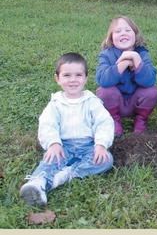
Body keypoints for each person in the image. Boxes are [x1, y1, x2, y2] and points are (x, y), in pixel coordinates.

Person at [19, 53, 114, 207]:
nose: (73, 80)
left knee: (106, 160)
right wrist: (53, 143)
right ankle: (38, 182)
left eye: (78, 75)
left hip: (89, 146)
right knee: (50, 160)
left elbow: (104, 123)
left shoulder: (92, 102)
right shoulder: (56, 103)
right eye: (67, 75)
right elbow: (48, 124)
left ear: (85, 78)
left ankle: (69, 174)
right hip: (63, 146)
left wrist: (101, 145)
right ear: (57, 78)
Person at [96, 16, 157, 136]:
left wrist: (136, 60)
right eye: (118, 31)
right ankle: (113, 120)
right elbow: (103, 80)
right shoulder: (106, 55)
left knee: (152, 91)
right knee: (104, 91)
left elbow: (150, 80)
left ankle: (141, 120)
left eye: (128, 30)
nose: (123, 33)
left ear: (135, 35)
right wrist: (123, 63)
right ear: (111, 38)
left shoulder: (142, 53)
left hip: (136, 102)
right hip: (114, 102)